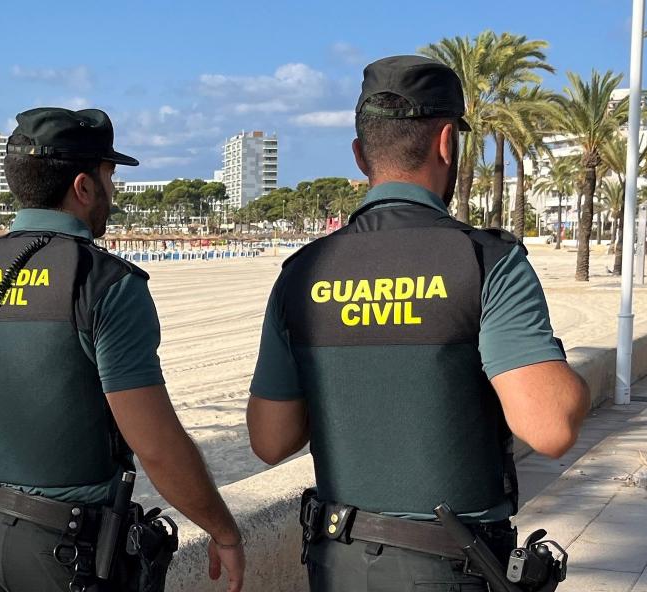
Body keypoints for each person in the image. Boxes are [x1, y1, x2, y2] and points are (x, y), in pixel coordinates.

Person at [246, 56, 590, 591]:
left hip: (338, 566)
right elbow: (551, 427)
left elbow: (270, 440)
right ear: (447, 143)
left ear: (361, 156)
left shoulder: (301, 273)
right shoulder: (485, 261)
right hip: (452, 568)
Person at [0, 107, 244, 592]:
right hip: (71, 553)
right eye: (110, 176)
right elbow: (156, 445)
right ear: (84, 187)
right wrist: (223, 530)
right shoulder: (105, 282)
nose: (114, 190)